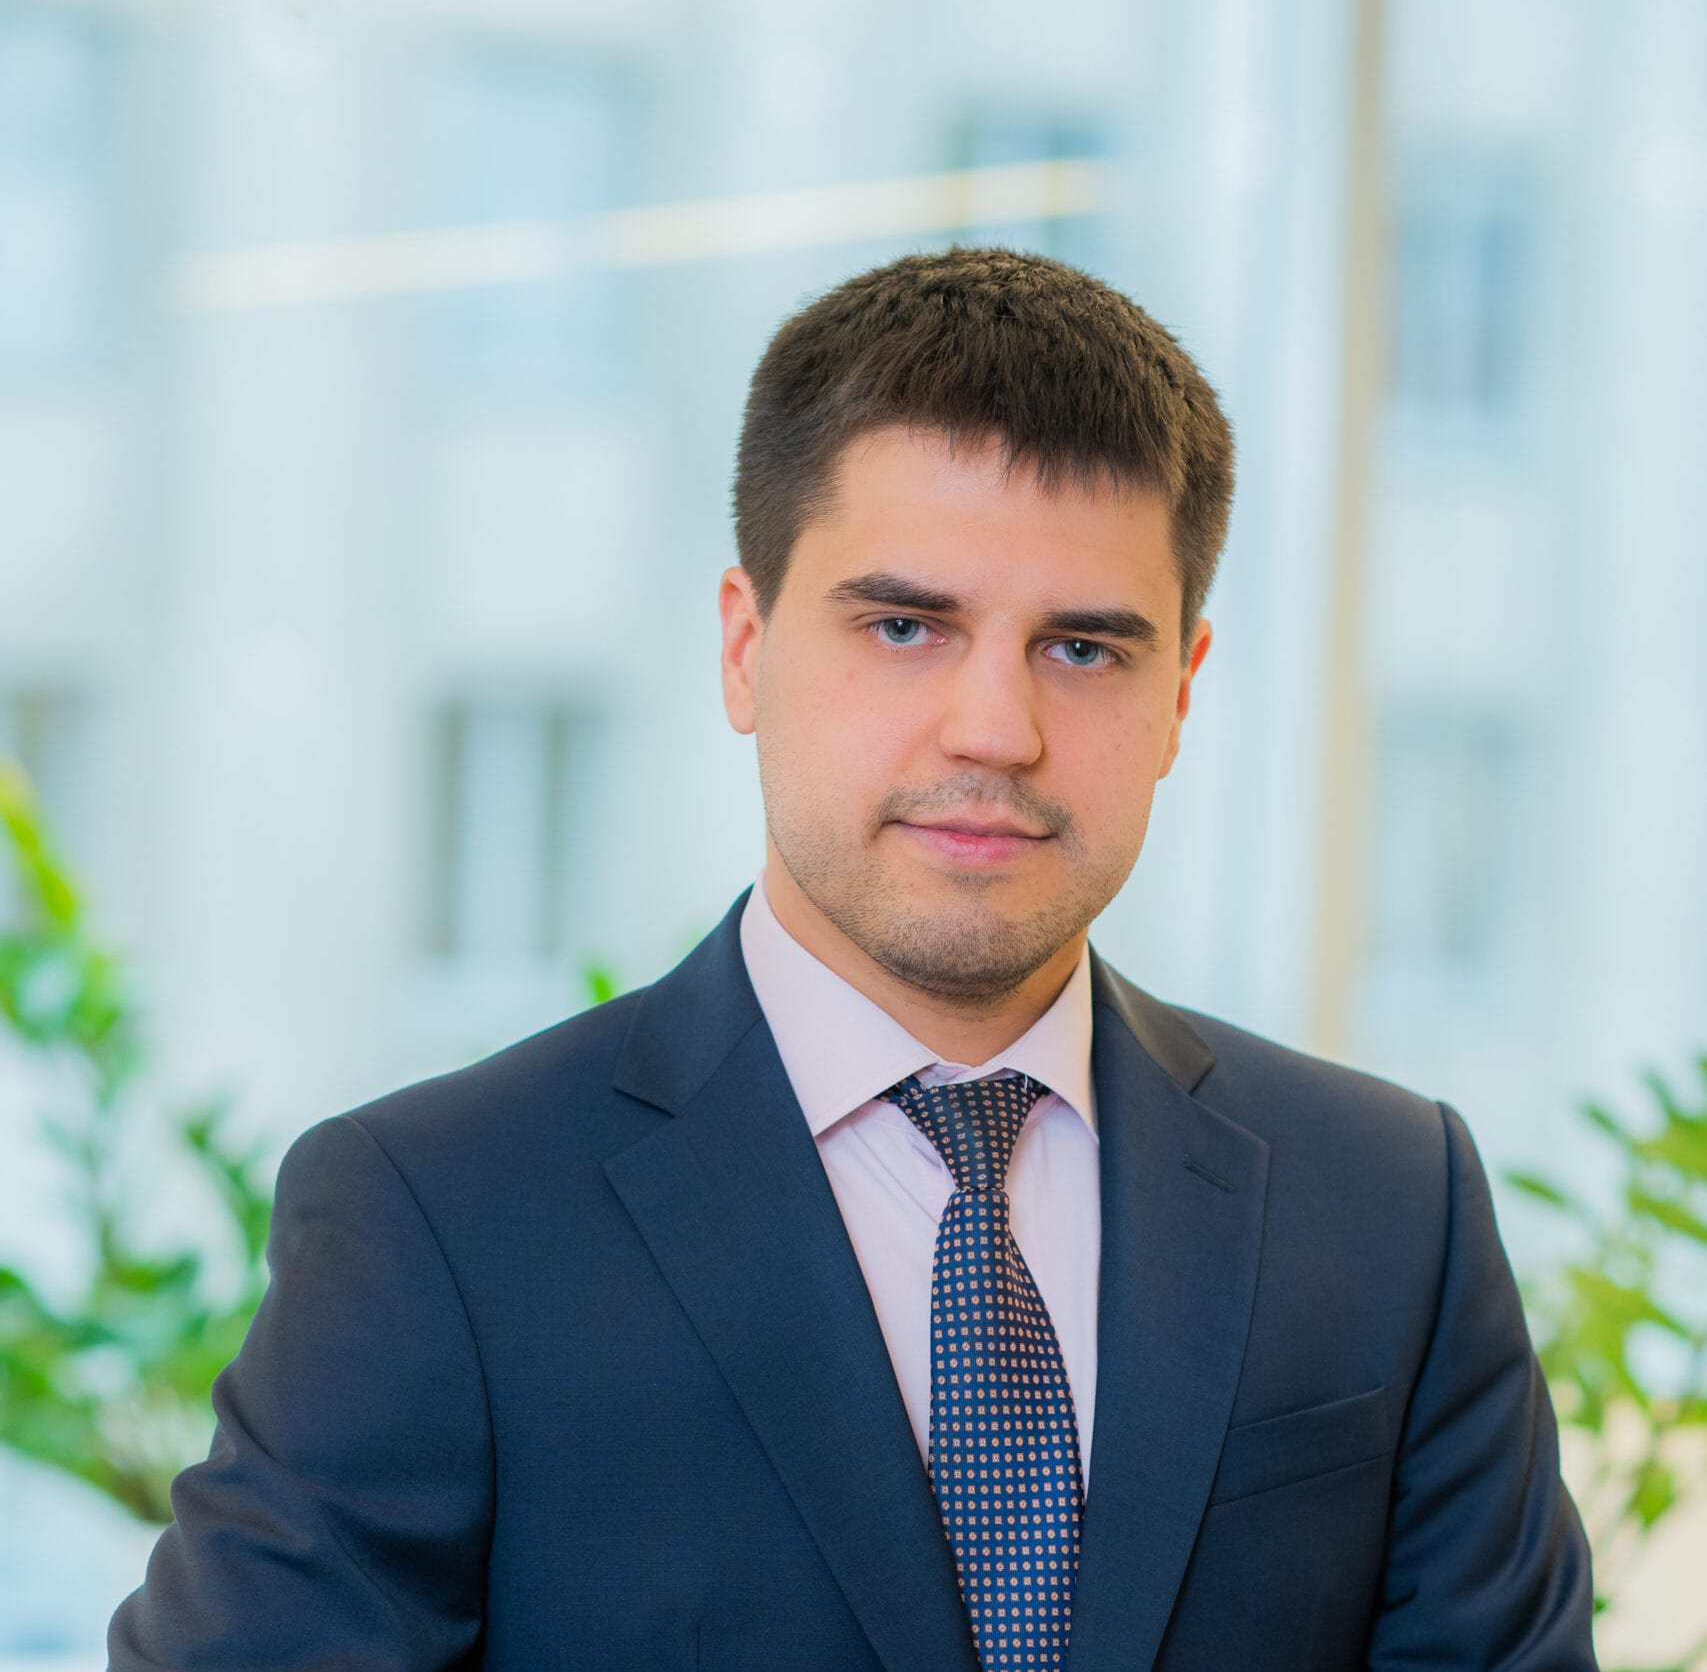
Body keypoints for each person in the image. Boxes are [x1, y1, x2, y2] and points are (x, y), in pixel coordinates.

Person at [107, 247, 1597, 1670]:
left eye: (1084, 648)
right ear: (745, 648)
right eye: (903, 627)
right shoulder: (440, 1219)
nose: (995, 730)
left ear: (1182, 694)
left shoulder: (1391, 1207)